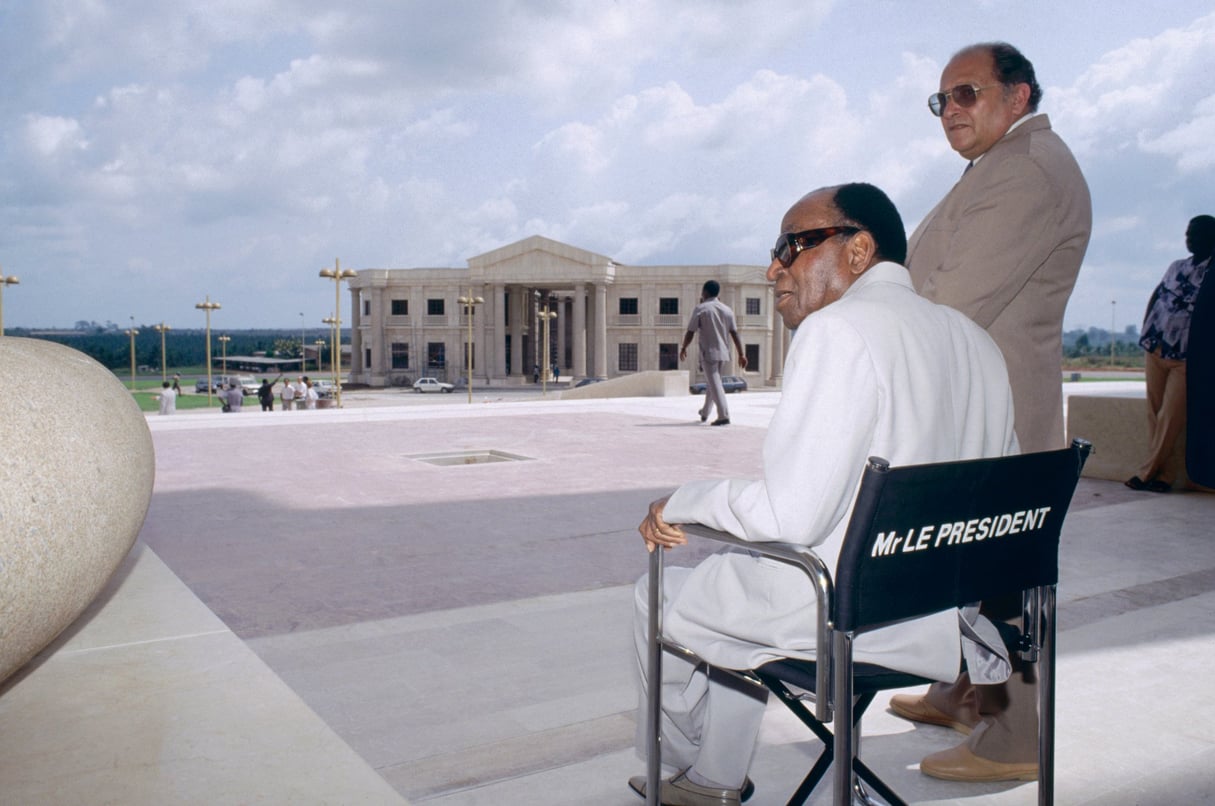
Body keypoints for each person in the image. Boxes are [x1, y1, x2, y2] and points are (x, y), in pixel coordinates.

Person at [629, 183, 1017, 805]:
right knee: (735, 597)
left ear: (859, 249)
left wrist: (679, 501)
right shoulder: (976, 342)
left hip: (849, 615)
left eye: (793, 245)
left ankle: (695, 777)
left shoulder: (838, 331)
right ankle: (714, 776)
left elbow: (792, 514)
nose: (773, 266)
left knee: (662, 593)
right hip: (946, 616)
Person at [894, 41, 1092, 783]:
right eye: (940, 100)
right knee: (972, 570)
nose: (949, 111)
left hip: (1002, 417)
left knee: (1001, 575)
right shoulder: (999, 166)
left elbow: (951, 299)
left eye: (966, 94)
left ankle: (1012, 739)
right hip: (980, 406)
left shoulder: (1028, 173)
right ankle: (962, 693)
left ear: (1019, 96)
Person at [1125, 215, 1215, 493]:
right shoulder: (1177, 266)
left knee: (1171, 417)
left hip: (1187, 357)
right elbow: (1158, 297)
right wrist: (1146, 330)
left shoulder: (1211, 273)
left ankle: (1146, 473)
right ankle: (1164, 478)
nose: (1189, 239)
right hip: (1156, 347)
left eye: (1196, 234)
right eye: (1188, 233)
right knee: (1154, 414)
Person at [681, 280, 747, 426]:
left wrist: (684, 347)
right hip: (723, 354)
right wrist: (742, 354)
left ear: (704, 292)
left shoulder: (701, 308)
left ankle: (724, 415)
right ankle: (705, 413)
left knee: (715, 384)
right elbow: (734, 333)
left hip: (709, 353)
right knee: (712, 383)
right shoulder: (727, 310)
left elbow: (690, 332)